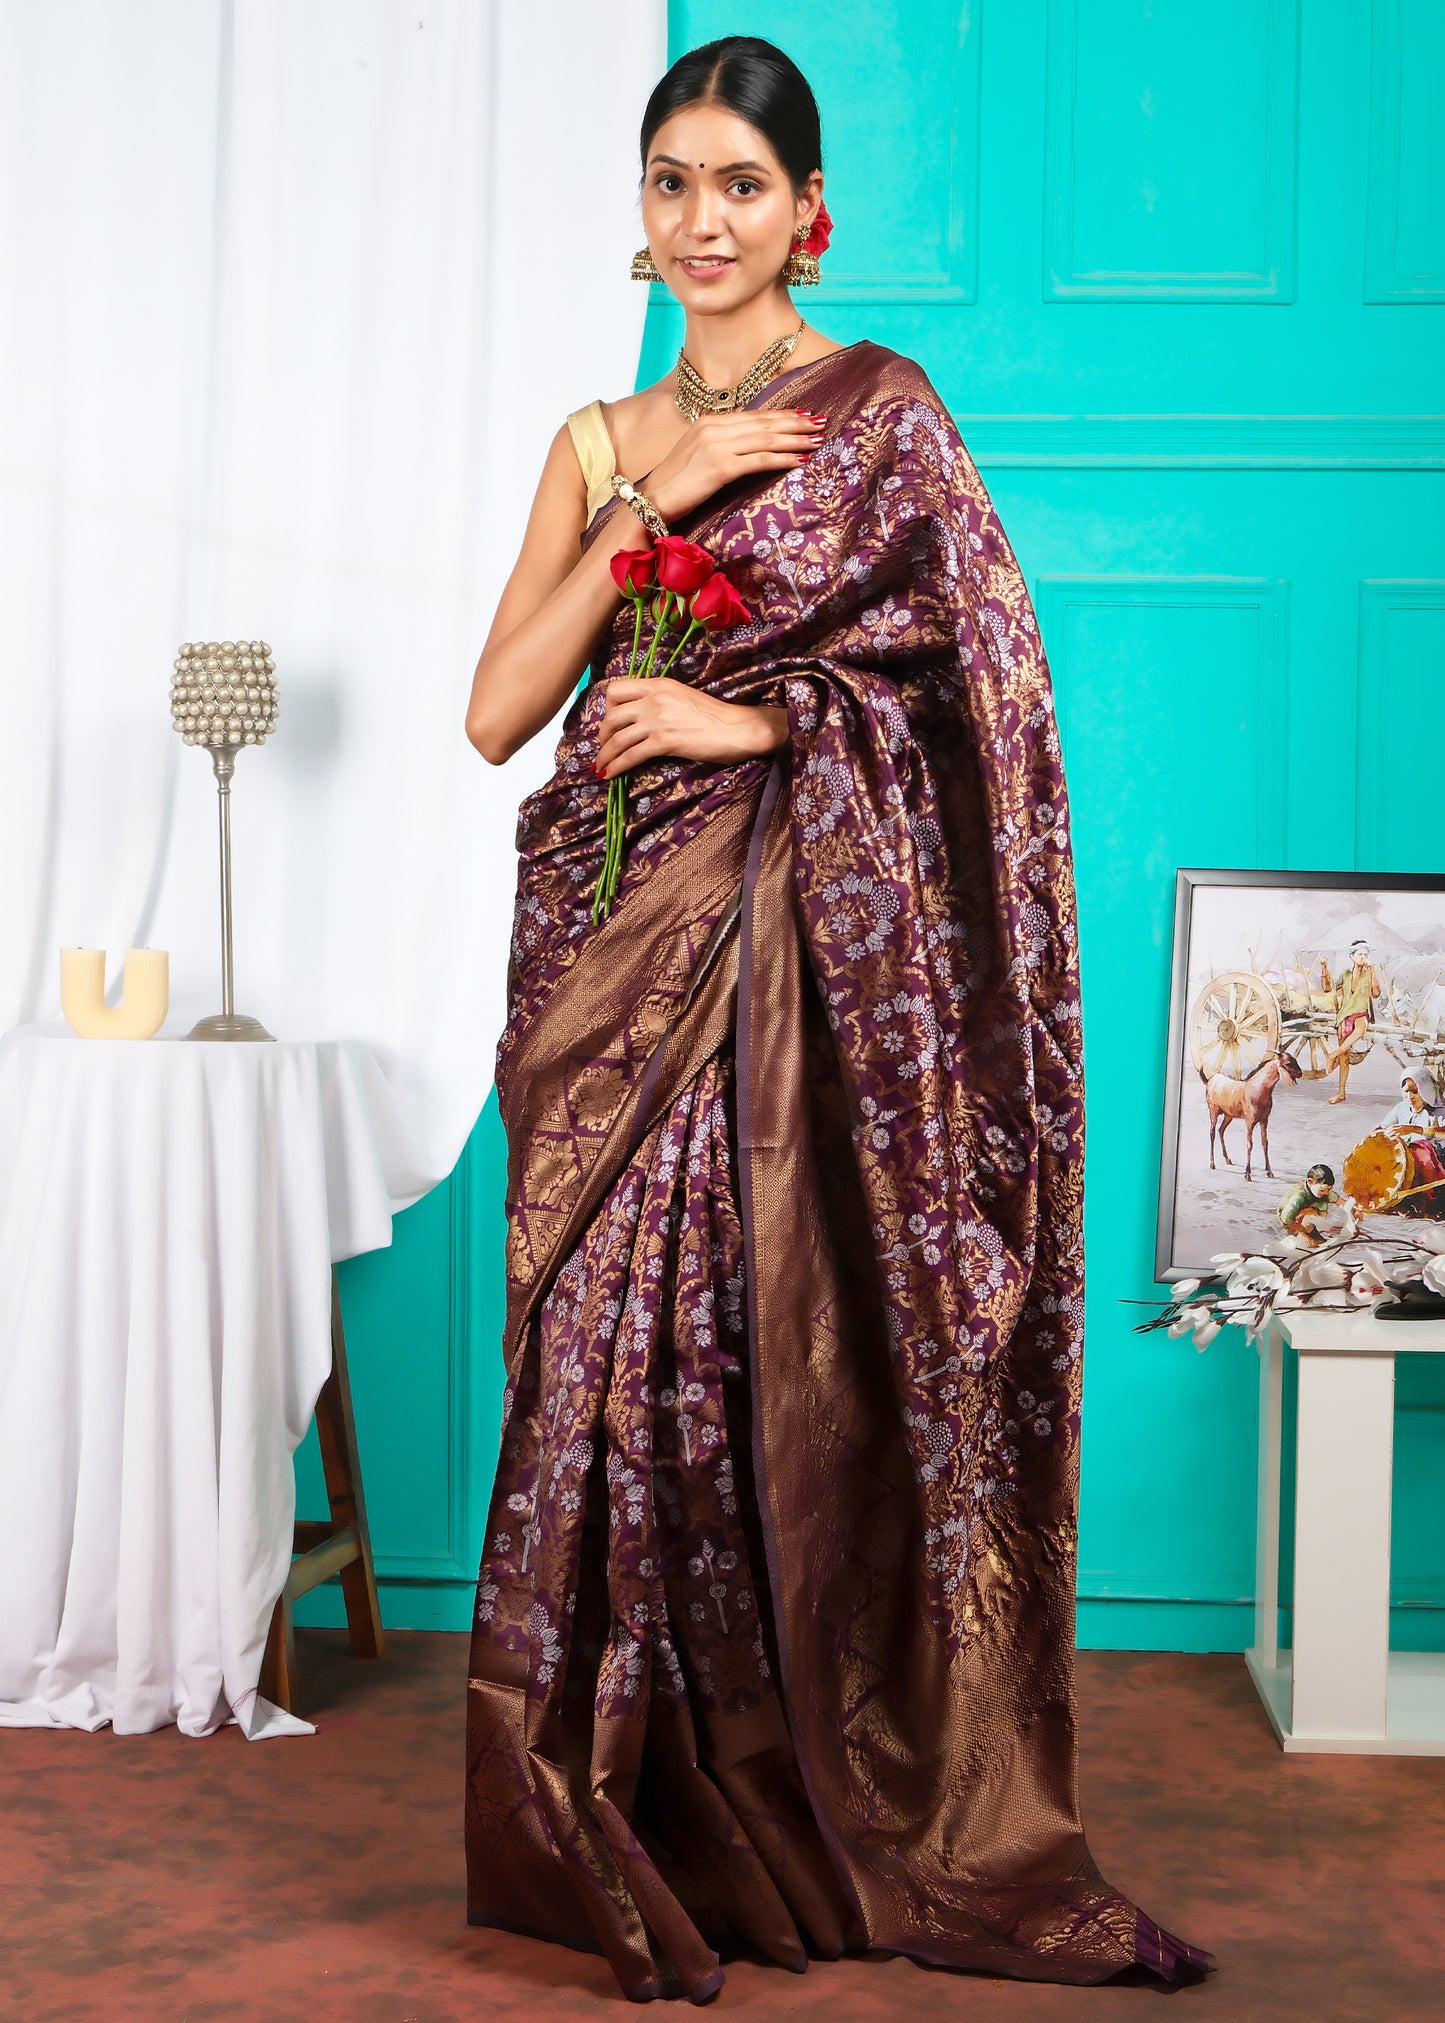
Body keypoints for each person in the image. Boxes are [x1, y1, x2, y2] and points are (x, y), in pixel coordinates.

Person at [462, 35, 1211, 2001]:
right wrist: (658, 484)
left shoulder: (880, 420)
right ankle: (639, 1791)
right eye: (666, 185)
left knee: (770, 1350)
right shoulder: (595, 438)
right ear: (635, 209)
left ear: (811, 216)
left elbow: (992, 724)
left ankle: (798, 1788)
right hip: (624, 955)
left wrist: (759, 717)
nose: (697, 224)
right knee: (618, 1364)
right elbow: (494, 711)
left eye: (734, 188)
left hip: (801, 972)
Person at [1323, 938, 1381, 1104]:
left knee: (1360, 1028)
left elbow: (1376, 993)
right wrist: (1323, 969)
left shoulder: (1368, 973)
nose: (1363, 957)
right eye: (1360, 954)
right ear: (1352, 956)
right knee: (1344, 1059)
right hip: (1344, 1016)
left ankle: (1332, 1054)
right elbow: (1328, 988)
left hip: (1361, 1015)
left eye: (1366, 954)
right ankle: (1341, 1092)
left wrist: (1373, 972)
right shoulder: (1346, 974)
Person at [1382, 1069, 1445, 1211]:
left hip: (1435, 1163)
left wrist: (1413, 1129)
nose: (1410, 1097)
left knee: (1420, 1148)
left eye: (1415, 1091)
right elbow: (1382, 1128)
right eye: (1406, 1092)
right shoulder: (1402, 1108)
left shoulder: (1439, 1110)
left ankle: (1428, 1199)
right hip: (1406, 1161)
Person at [1277, 1163, 1338, 1245]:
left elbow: (1340, 1201)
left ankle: (1311, 1232)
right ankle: (1302, 1235)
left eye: (1329, 1189)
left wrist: (1354, 1209)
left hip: (1310, 1222)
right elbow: (1286, 1219)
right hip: (1293, 1222)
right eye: (1323, 1190)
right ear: (1310, 1182)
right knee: (1310, 1243)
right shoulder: (1299, 1196)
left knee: (1323, 1242)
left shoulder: (1323, 1191)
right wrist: (1302, 1230)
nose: (1326, 1193)